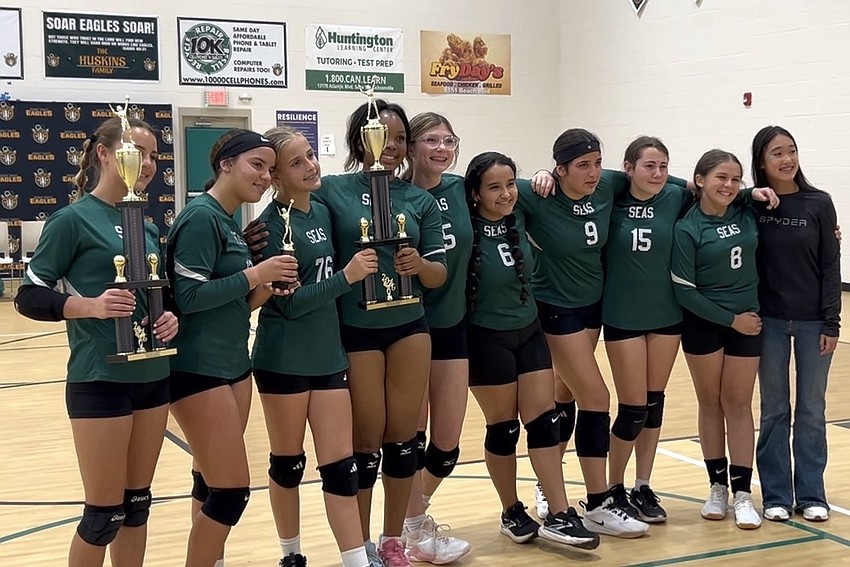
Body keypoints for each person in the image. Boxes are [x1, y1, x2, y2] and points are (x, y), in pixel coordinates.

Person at [14, 116, 179, 567]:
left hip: (153, 376)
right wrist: (88, 306)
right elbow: (28, 295)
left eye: (152, 156)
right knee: (103, 514)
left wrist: (168, 320)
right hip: (99, 378)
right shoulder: (72, 220)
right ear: (104, 155)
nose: (146, 164)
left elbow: (155, 296)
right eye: (135, 152)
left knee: (137, 506)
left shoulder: (145, 222)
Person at [312, 99, 448, 567]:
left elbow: (439, 275)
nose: (391, 146)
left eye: (399, 139)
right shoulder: (332, 190)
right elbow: (297, 224)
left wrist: (421, 265)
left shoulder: (420, 200)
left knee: (404, 439)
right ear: (359, 139)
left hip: (409, 326)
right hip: (357, 329)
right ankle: (362, 544)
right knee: (365, 442)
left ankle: (394, 541)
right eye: (382, 136)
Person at [166, 129, 299, 567]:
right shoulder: (201, 216)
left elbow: (237, 304)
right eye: (256, 165)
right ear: (225, 164)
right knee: (231, 491)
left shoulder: (230, 221)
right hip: (197, 366)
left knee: (208, 481)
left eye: (270, 170)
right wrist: (256, 274)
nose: (264, 176)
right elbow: (188, 298)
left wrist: (268, 288)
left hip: (232, 363)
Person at [251, 126, 376, 567]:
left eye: (310, 155)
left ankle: (355, 560)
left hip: (328, 357)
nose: (311, 166)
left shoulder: (321, 210)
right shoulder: (268, 229)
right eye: (297, 162)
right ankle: (291, 555)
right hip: (283, 359)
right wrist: (348, 277)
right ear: (276, 177)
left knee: (341, 468)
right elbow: (288, 307)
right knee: (288, 464)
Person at [463, 151, 600, 552]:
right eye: (494, 187)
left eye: (510, 185)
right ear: (475, 193)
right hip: (486, 336)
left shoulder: (518, 212)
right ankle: (511, 510)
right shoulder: (463, 223)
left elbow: (549, 183)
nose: (506, 194)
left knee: (544, 423)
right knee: (503, 427)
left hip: (529, 328)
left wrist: (542, 172)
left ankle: (559, 514)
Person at [517, 129, 649, 538]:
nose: (593, 172)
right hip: (556, 309)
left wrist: (747, 195)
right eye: (582, 166)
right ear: (561, 169)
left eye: (596, 162)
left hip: (594, 307)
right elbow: (485, 183)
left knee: (566, 393)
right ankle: (597, 503)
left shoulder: (608, 183)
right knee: (597, 397)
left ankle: (547, 483)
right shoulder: (537, 194)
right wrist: (538, 173)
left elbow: (665, 182)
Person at [751, 126, 841, 523]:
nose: (787, 159)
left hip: (812, 323)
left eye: (792, 151)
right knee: (774, 410)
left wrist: (832, 323)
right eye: (777, 154)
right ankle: (775, 494)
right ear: (762, 162)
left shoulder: (819, 204)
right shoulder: (751, 206)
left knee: (811, 409)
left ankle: (811, 493)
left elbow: (829, 265)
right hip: (767, 321)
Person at [671, 149, 764, 530]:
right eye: (720, 178)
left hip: (749, 321)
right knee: (710, 402)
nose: (728, 185)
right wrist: (731, 320)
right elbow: (684, 291)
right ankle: (717, 487)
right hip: (706, 323)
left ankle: (743, 493)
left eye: (735, 179)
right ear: (700, 180)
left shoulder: (746, 209)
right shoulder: (687, 227)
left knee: (739, 404)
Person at [401, 112, 472, 564]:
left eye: (449, 139)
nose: (442, 148)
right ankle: (412, 528)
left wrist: (543, 175)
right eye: (431, 140)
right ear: (410, 147)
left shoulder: (463, 187)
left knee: (446, 445)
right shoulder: (391, 193)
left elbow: (516, 188)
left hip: (452, 323)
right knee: (411, 436)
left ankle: (410, 516)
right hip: (406, 328)